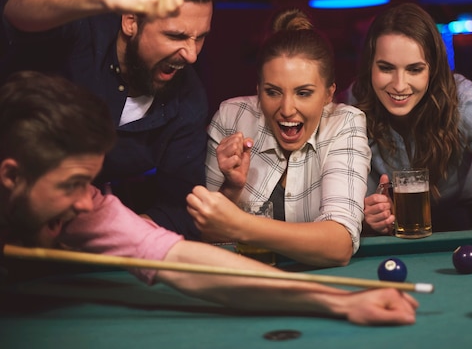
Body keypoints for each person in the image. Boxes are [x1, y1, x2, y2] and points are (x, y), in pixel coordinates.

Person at [0, 70, 418, 325]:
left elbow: (186, 262)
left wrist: (340, 302)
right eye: (70, 184)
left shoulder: (85, 209)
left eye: (88, 184)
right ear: (11, 177)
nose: (84, 201)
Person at [0, 0, 214, 239]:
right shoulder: (81, 32)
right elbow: (15, 10)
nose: (191, 55)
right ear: (130, 21)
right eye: (175, 36)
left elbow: (180, 206)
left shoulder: (188, 99)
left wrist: (127, 234)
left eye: (200, 38)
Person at [346, 3, 472, 233]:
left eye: (415, 69)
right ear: (369, 66)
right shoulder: (354, 105)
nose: (399, 85)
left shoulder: (465, 103)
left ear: (433, 69)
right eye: (386, 68)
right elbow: (344, 202)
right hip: (382, 234)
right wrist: (366, 213)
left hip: (454, 227)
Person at [199, 9, 371, 268]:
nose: (287, 108)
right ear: (258, 91)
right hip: (245, 281)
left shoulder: (345, 122)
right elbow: (210, 237)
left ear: (328, 94)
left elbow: (339, 245)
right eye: (273, 92)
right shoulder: (231, 118)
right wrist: (231, 189)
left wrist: (242, 224)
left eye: (303, 93)